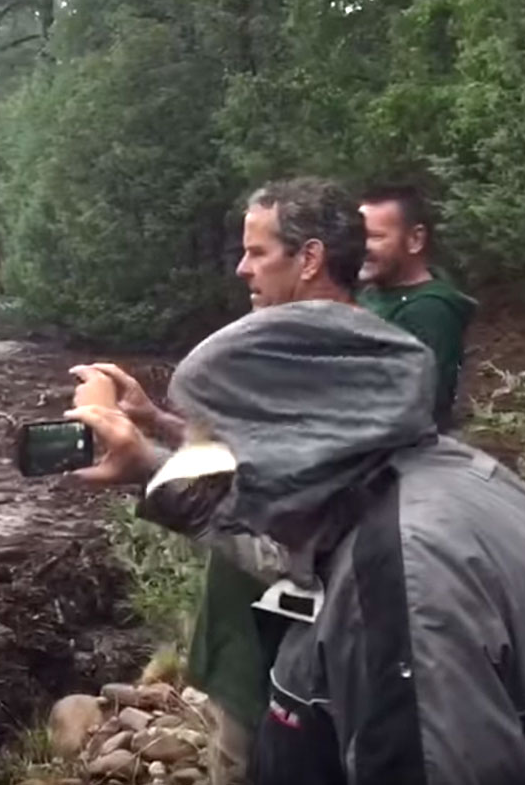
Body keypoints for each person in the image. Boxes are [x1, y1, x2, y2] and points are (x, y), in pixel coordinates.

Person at [67, 301, 525, 784]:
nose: (201, 457)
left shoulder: (405, 577)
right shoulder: (431, 476)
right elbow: (283, 541)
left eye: (211, 439)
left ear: (286, 438)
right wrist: (150, 465)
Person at [71, 176, 368, 785]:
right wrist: (159, 422)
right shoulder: (330, 355)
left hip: (288, 676)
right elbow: (254, 466)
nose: (241, 268)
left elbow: (296, 549)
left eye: (257, 252)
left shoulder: (342, 375)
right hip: (251, 650)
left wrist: (146, 466)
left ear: (309, 258)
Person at [358, 184, 477, 430]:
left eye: (375, 237)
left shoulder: (430, 311)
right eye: (358, 237)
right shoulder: (373, 293)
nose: (362, 247)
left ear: (415, 239)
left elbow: (422, 405)